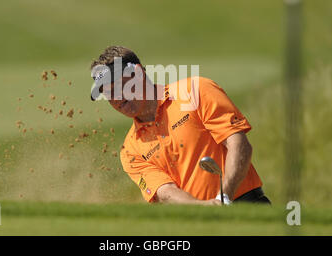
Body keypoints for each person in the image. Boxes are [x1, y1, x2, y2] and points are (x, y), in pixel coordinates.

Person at [90, 46, 270, 205]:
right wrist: (204, 209)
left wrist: (224, 198)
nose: (116, 99)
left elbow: (239, 145)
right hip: (197, 223)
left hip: (245, 205)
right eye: (107, 93)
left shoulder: (195, 91)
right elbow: (165, 192)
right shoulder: (130, 150)